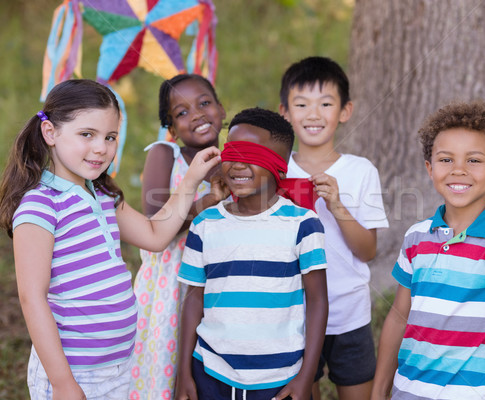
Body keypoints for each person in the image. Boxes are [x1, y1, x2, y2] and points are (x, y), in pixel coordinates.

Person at [0, 79, 221, 400]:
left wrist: (193, 178)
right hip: (73, 373)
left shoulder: (101, 194)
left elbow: (154, 235)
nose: (101, 147)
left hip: (118, 366)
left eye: (110, 137)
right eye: (87, 134)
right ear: (51, 134)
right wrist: (62, 383)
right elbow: (32, 297)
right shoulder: (41, 205)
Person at [371, 101, 485, 400]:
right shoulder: (416, 237)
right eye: (446, 160)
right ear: (429, 168)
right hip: (407, 392)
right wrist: (379, 391)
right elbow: (399, 317)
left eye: (473, 160)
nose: (458, 170)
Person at [175, 107, 329, 400]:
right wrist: (184, 373)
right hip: (210, 371)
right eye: (231, 154)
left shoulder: (303, 224)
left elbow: (318, 301)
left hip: (280, 377)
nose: (237, 166)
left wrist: (306, 378)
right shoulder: (204, 224)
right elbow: (194, 298)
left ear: (280, 167)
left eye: (251, 156)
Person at [279, 56, 389, 400]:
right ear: (285, 112)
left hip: (349, 315)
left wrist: (338, 206)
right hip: (292, 313)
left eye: (325, 103)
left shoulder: (360, 170)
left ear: (345, 111)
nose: (313, 114)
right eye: (302, 104)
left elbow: (367, 251)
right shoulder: (276, 172)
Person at [129, 74, 229, 400]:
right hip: (170, 284)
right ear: (171, 127)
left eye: (204, 103)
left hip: (217, 281)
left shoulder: (232, 164)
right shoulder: (165, 154)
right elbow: (156, 220)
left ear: (221, 108)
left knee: (207, 370)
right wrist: (208, 199)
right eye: (182, 112)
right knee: (166, 368)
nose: (197, 114)